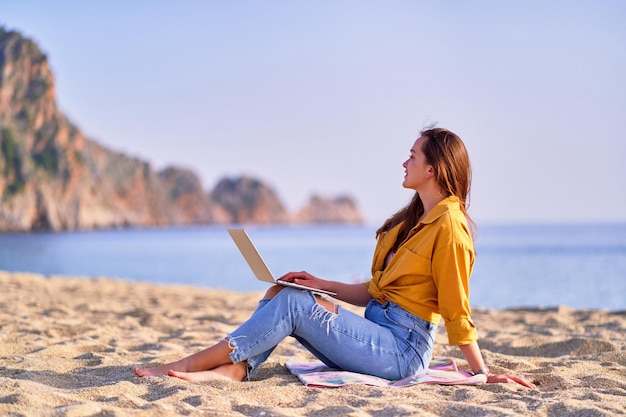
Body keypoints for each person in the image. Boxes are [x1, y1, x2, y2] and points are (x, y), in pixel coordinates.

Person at [134, 127, 535, 389]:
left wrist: (482, 374)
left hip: (402, 351)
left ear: (433, 168)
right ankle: (237, 368)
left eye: (413, 155)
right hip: (379, 332)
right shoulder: (413, 220)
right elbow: (374, 293)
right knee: (283, 291)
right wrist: (320, 284)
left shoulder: (450, 228)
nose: (405, 161)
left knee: (293, 305)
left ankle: (189, 364)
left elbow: (456, 310)